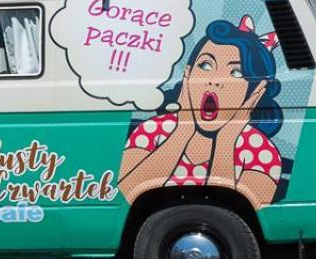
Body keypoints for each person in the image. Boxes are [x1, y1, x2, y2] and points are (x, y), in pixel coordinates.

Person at [118, 16, 285, 208]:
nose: (214, 80)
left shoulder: (260, 151)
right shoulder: (153, 131)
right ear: (188, 74)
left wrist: (226, 140)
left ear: (256, 90)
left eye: (236, 73)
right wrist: (182, 130)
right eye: (205, 65)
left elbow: (237, 211)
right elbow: (126, 194)